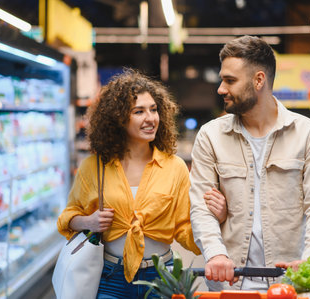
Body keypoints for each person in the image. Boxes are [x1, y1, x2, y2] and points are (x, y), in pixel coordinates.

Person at [57, 69, 221, 298]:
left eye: (154, 110)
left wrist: (216, 224)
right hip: (108, 278)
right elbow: (67, 217)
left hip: (161, 277)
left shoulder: (174, 167)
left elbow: (184, 228)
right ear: (119, 118)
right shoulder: (94, 167)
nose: (150, 118)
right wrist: (89, 221)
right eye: (139, 111)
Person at [189, 35, 310, 292]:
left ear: (259, 80)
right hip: (229, 281)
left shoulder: (307, 134)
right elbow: (201, 208)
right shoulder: (210, 136)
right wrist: (215, 254)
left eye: (230, 80)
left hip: (289, 281)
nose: (221, 89)